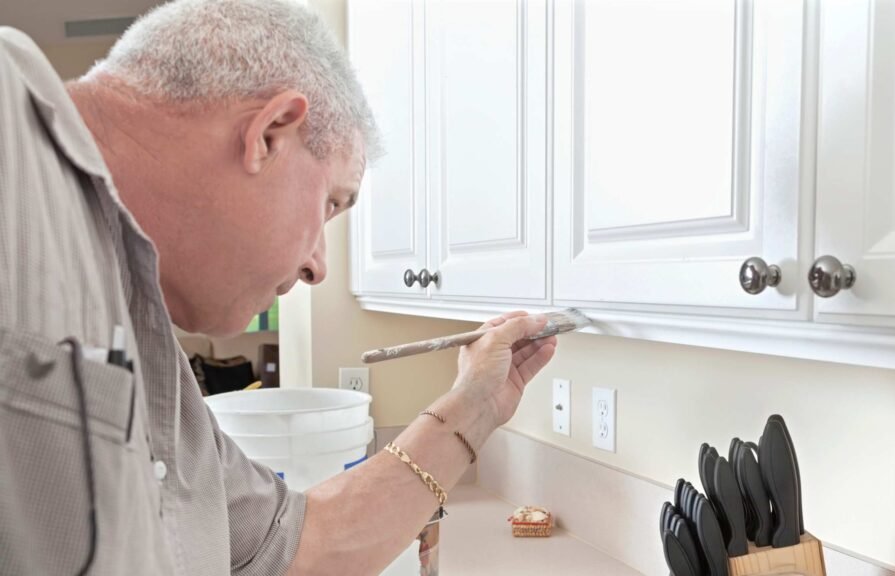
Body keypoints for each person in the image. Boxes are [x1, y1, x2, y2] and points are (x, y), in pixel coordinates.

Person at [0, 0, 557, 574]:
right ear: (269, 134)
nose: (319, 267)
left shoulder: (160, 372)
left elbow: (300, 544)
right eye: (331, 203)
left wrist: (476, 406)